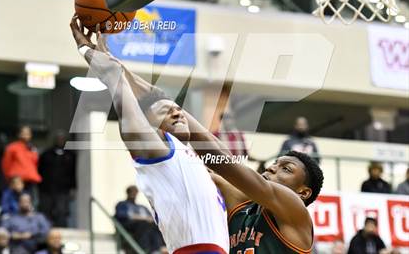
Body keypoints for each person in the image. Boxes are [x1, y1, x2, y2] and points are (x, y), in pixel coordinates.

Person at [71, 17, 324, 254]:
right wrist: (114, 64)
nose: (272, 168)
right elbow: (186, 127)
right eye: (276, 163)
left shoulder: (295, 211)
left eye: (286, 169)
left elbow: (221, 161)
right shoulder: (241, 205)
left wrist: (186, 132)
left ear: (303, 192)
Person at [71, 17, 229, 253]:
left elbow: (157, 96)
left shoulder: (194, 156)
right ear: (152, 127)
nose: (177, 111)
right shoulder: (159, 152)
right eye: (167, 112)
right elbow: (132, 114)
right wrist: (108, 71)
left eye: (177, 109)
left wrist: (116, 64)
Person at [38, 130, 76, 227]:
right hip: (46, 188)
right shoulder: (46, 155)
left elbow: (73, 173)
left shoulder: (70, 156)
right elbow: (40, 170)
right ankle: (45, 229)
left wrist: (73, 187)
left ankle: (61, 230)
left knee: (62, 211)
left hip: (63, 189)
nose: (60, 140)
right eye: (58, 139)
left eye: (62, 139)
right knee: (46, 209)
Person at [115, 186, 164, 253]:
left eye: (135, 192)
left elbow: (151, 217)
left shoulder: (142, 207)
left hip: (146, 226)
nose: (134, 194)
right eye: (132, 192)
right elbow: (123, 215)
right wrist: (144, 218)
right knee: (145, 224)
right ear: (128, 193)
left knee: (157, 225)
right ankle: (144, 249)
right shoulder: (122, 204)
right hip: (131, 226)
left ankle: (157, 249)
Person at [1, 126, 41, 202]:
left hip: (30, 181)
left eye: (28, 133)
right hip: (17, 181)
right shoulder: (12, 147)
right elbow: (6, 165)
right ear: (19, 134)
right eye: (23, 133)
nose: (25, 135)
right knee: (16, 203)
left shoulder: (33, 148)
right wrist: (10, 179)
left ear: (31, 135)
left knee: (30, 203)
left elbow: (35, 164)